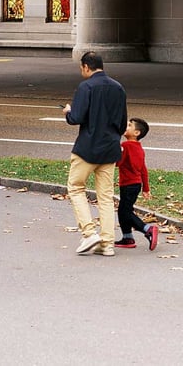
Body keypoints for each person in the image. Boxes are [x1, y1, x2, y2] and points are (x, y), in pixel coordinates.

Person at [62, 51, 127, 256]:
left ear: (86, 67)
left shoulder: (86, 86)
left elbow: (77, 117)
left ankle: (89, 233)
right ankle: (107, 243)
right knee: (106, 197)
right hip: (110, 148)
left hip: (87, 148)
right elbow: (123, 123)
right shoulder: (118, 87)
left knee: (75, 187)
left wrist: (68, 111)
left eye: (81, 68)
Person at [115, 117, 160, 251]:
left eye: (129, 125)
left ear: (136, 133)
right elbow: (143, 169)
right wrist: (146, 188)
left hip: (128, 185)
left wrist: (115, 149)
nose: (126, 126)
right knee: (124, 211)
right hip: (135, 184)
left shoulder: (126, 146)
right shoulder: (139, 148)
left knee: (125, 212)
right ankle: (127, 238)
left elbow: (118, 163)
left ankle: (148, 229)